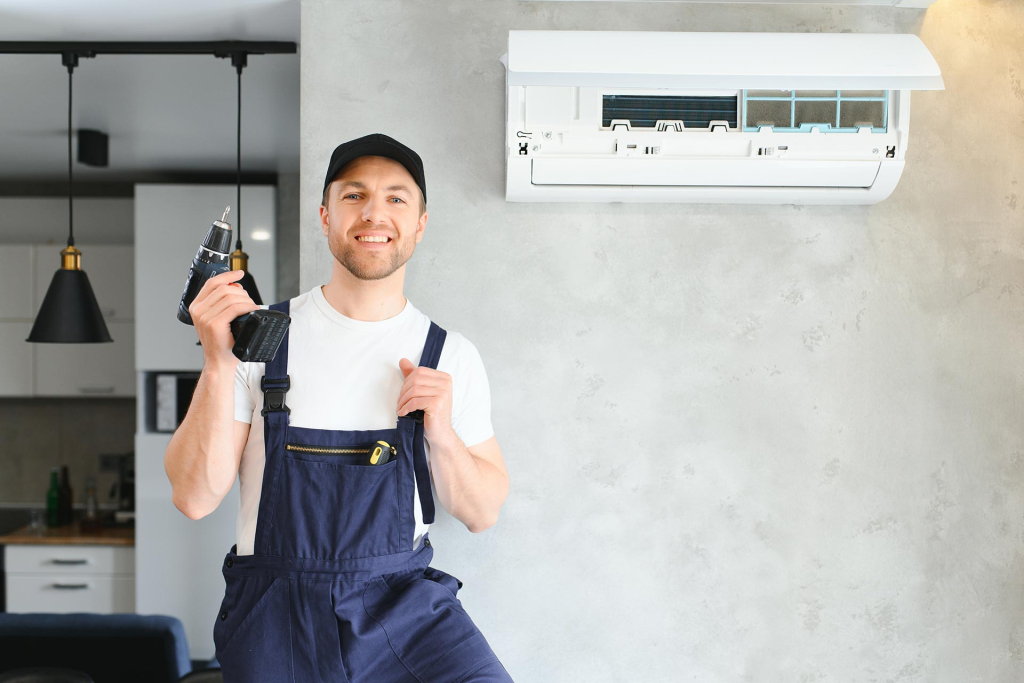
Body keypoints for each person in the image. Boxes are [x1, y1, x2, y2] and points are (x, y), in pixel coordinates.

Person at [164, 133, 513, 682]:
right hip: (275, 615)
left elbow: (481, 513)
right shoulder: (258, 340)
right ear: (325, 215)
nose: (374, 213)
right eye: (354, 195)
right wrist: (216, 362)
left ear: (420, 223)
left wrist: (442, 434)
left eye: (396, 198)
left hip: (401, 611)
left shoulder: (450, 356)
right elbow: (193, 497)